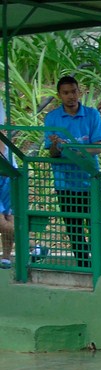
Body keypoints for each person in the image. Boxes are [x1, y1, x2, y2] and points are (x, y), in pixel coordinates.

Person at [43, 75, 101, 268]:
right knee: (74, 227)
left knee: (95, 225)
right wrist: (56, 145)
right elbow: (52, 153)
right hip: (65, 182)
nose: (71, 96)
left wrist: (72, 150)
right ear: (60, 95)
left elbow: (97, 147)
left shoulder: (92, 114)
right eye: (66, 93)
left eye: (73, 91)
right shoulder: (52, 118)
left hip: (89, 180)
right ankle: (83, 266)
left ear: (80, 92)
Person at [0, 99, 13, 269]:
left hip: (5, 169)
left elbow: (1, 136)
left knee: (7, 217)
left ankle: (6, 257)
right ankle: (33, 246)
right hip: (6, 167)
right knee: (6, 217)